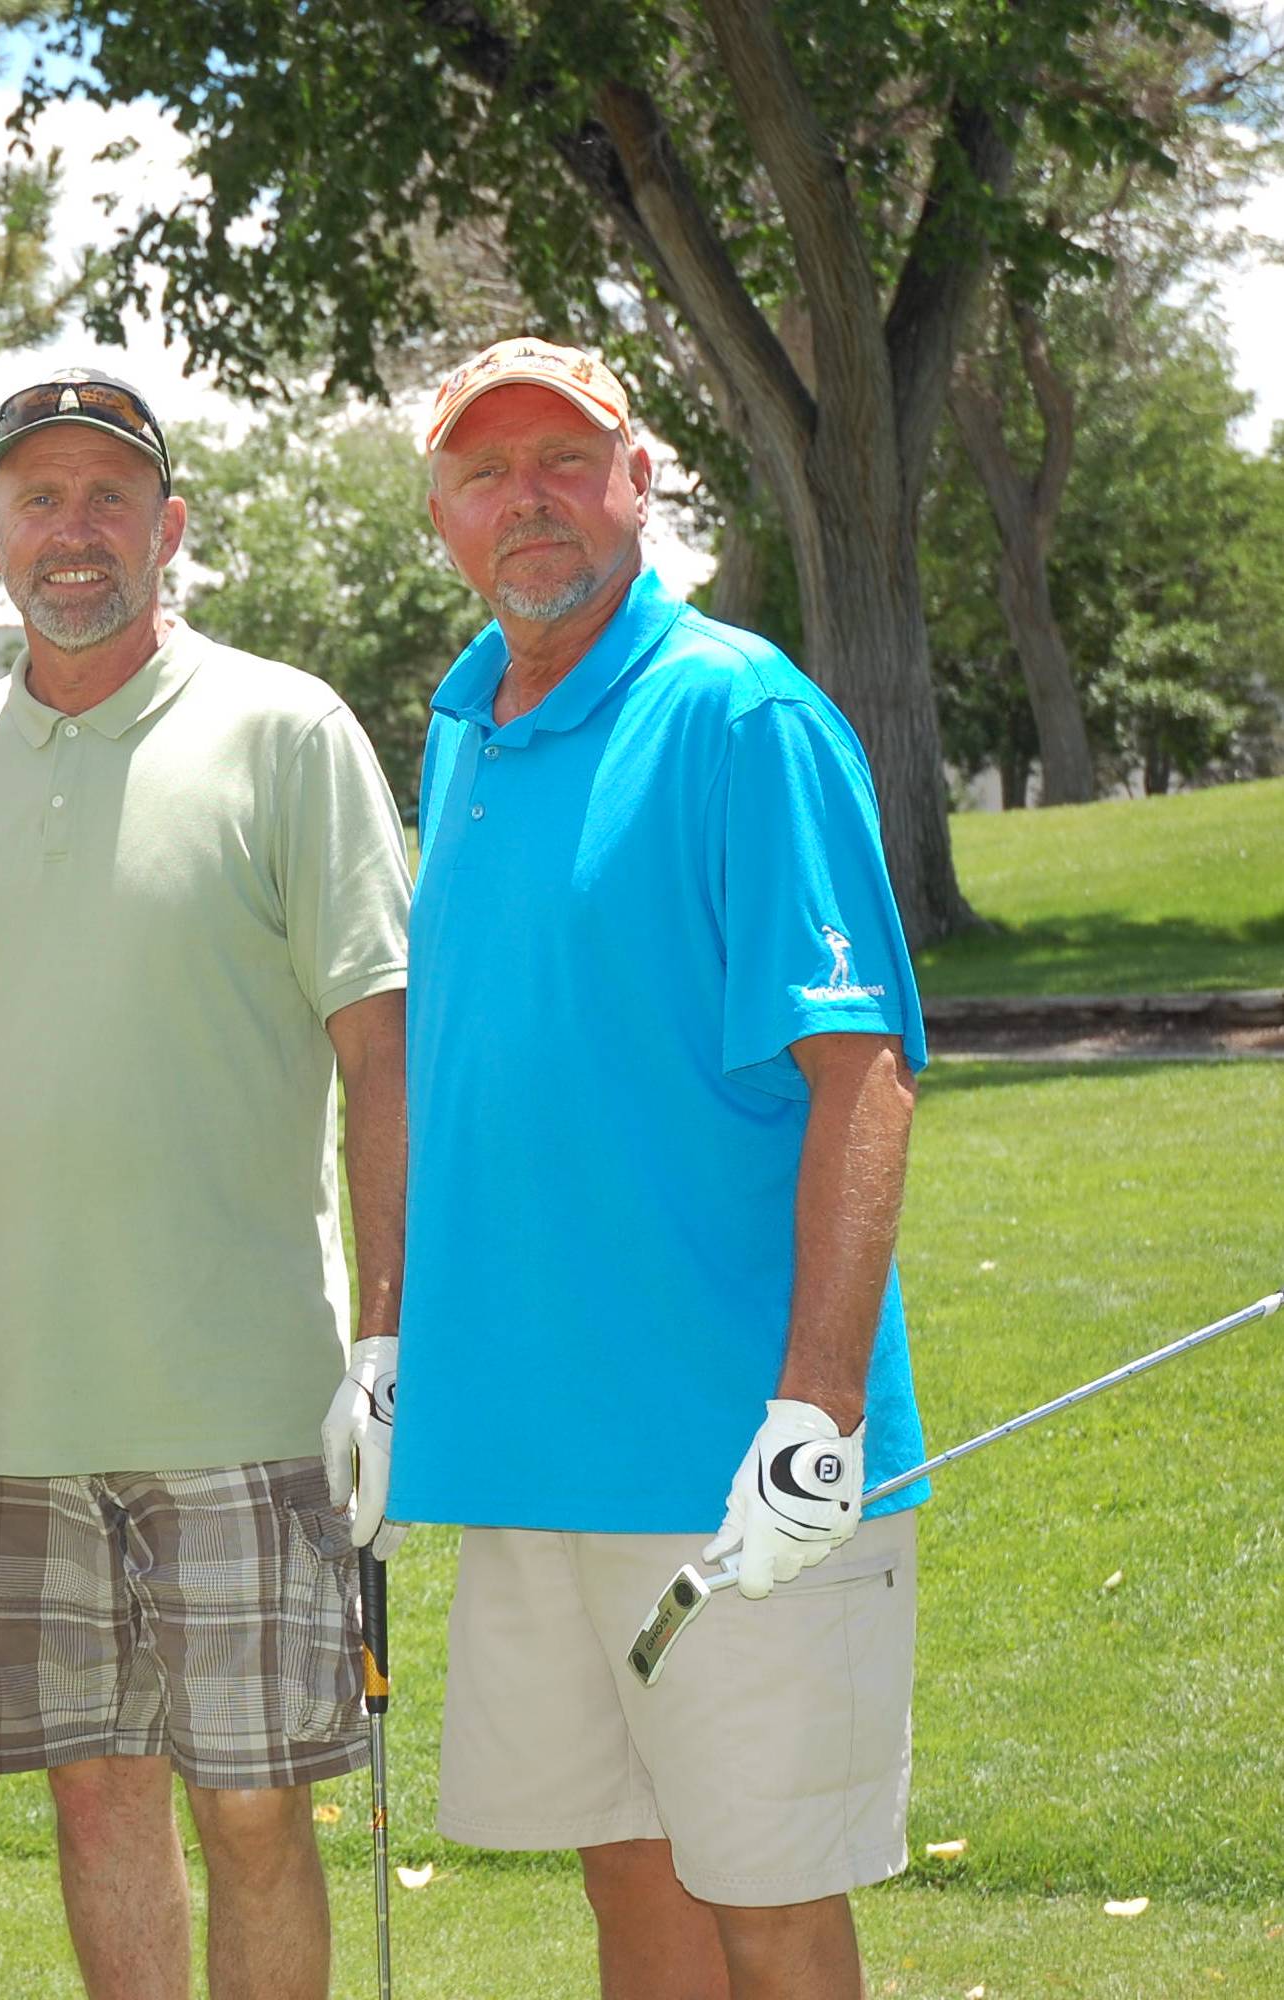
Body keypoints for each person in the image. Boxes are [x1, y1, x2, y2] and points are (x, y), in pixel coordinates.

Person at [384, 336, 931, 2000]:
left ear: (638, 482)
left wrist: (813, 1411)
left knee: (767, 1904)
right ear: (442, 520)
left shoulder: (738, 712)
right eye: (485, 473)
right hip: (533, 1453)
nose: (526, 500)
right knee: (629, 1887)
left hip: (732, 1461)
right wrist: (390, 1345)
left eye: (565, 459)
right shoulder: (464, 731)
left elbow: (862, 1074)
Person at [0, 372, 413, 2000]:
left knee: (256, 1807)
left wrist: (389, 1351)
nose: (73, 531)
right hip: (8, 1410)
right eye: (37, 498)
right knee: (95, 1798)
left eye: (107, 498)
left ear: (168, 527)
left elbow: (381, 1060)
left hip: (244, 1400)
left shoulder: (284, 728)